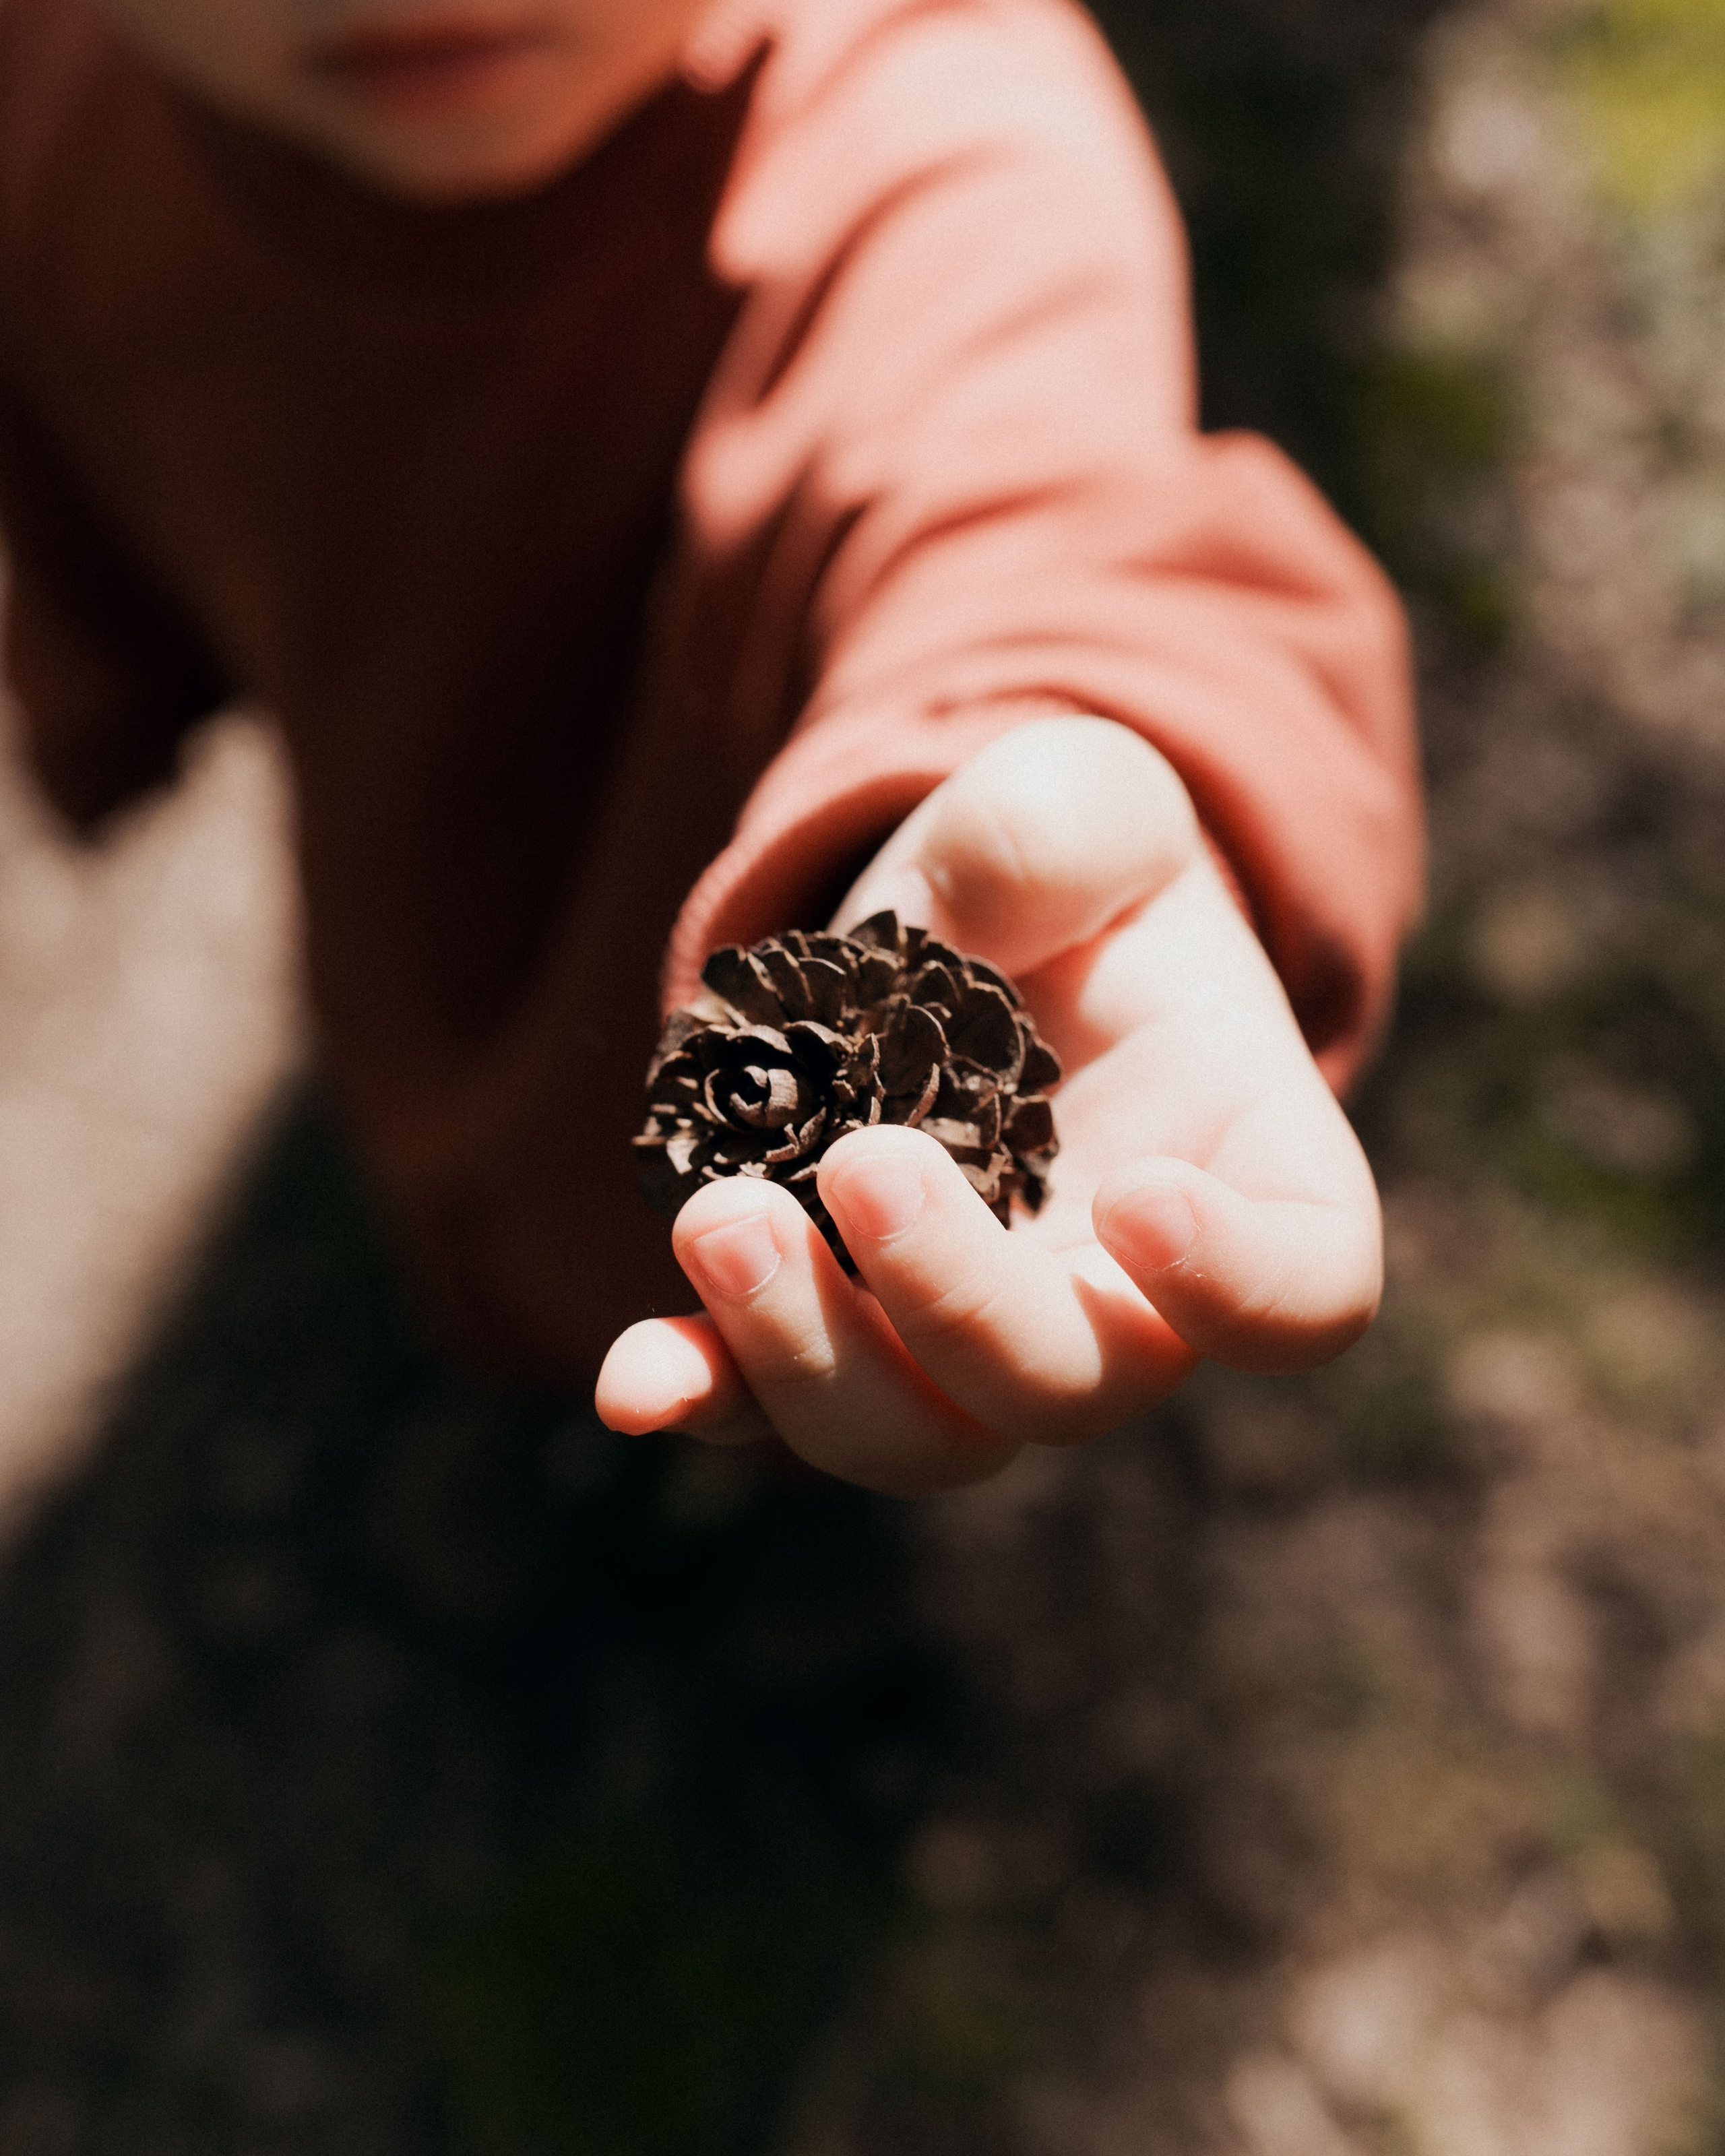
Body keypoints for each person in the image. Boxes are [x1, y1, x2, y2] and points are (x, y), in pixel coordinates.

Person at [0, 0, 1422, 1494]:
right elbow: (70, 432)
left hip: (735, 1138)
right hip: (407, 930)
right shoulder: (55, 92)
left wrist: (1060, 760)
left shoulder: (937, 143)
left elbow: (1037, 527)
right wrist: (105, 680)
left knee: (713, 1300)